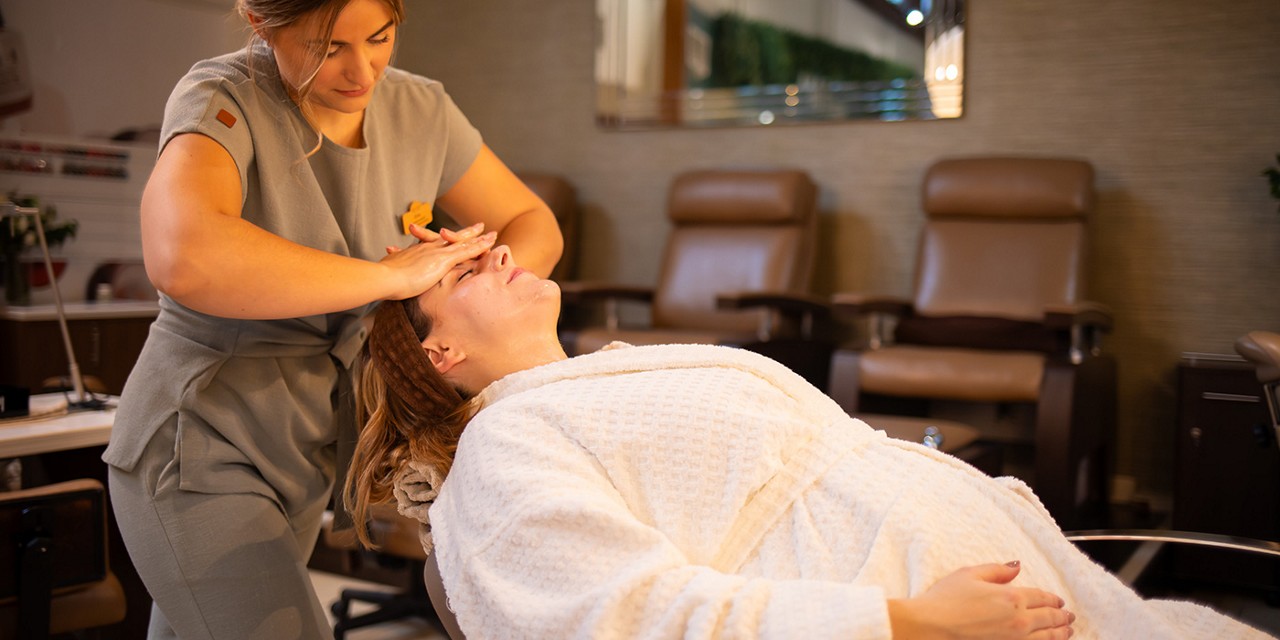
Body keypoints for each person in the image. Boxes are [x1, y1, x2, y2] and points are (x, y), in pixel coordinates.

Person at [348, 246, 1273, 640]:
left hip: (1006, 582)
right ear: (442, 351)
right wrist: (911, 622)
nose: (500, 251)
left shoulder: (602, 375)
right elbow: (629, 621)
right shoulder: (506, 446)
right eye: (464, 271)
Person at [102, 0, 563, 637]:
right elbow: (183, 255)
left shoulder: (420, 108)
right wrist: (394, 278)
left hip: (309, 449)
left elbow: (532, 222)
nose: (361, 70)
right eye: (326, 47)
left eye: (379, 38)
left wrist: (479, 291)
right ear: (263, 25)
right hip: (202, 444)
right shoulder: (225, 95)